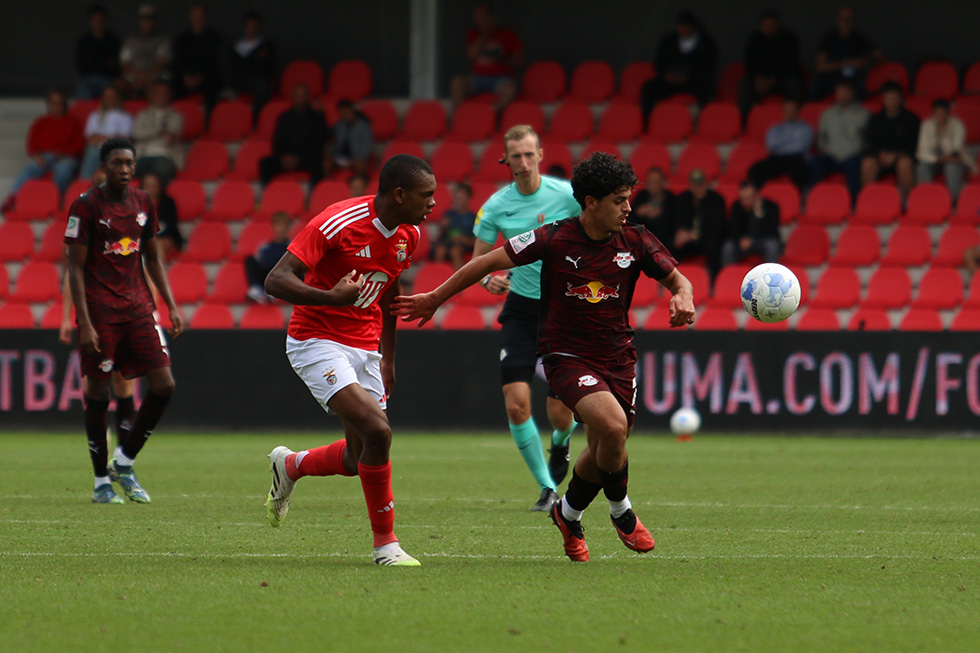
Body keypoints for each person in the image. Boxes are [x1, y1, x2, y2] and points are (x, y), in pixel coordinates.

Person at [392, 152, 697, 562]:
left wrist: (683, 297)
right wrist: (435, 297)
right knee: (611, 425)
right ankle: (622, 511)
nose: (628, 208)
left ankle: (567, 514)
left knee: (612, 443)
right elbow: (487, 261)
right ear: (590, 202)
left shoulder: (636, 240)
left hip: (618, 357)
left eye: (628, 199)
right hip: (566, 355)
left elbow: (679, 279)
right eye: (619, 200)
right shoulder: (553, 238)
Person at [262, 154, 435, 567]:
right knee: (379, 432)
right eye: (425, 196)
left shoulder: (408, 234)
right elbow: (275, 279)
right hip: (316, 340)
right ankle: (386, 546)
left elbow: (389, 291)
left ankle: (290, 465)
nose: (432, 204)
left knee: (359, 459)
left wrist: (387, 358)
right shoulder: (338, 221)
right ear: (399, 194)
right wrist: (329, 297)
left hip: (366, 346)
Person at [64, 137, 184, 504]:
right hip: (101, 313)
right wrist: (84, 322)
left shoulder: (144, 202)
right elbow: (75, 268)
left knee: (164, 384)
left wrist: (171, 304)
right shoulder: (85, 206)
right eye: (118, 163)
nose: (125, 169)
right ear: (104, 167)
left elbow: (154, 258)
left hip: (138, 308)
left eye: (130, 164)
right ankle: (101, 480)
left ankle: (124, 460)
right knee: (99, 394)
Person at [471, 125, 582, 512]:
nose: (522, 162)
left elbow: (594, 232)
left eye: (528, 155)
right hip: (520, 310)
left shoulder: (567, 195)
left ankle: (563, 442)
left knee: (560, 413)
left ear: (539, 154)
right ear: (506, 160)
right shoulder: (497, 207)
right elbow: (478, 259)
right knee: (517, 404)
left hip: (562, 310)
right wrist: (488, 278)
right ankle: (548, 487)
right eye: (515, 156)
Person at [2, 89, 83, 215]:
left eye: (59, 103)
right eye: (53, 103)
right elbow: (31, 144)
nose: (56, 106)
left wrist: (65, 153)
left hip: (65, 156)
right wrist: (37, 155)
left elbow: (78, 145)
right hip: (44, 155)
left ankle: (56, 200)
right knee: (32, 165)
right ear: (48, 104)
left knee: (64, 168)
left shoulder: (72, 122)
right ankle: (14, 198)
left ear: (64, 104)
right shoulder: (41, 122)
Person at [640, 11, 718, 122]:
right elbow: (659, 62)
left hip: (693, 81)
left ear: (692, 26)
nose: (682, 29)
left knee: (707, 89)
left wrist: (690, 77)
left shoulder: (706, 43)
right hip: (670, 80)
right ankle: (647, 123)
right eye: (680, 26)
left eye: (685, 26)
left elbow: (709, 66)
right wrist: (666, 75)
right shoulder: (669, 41)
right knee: (649, 88)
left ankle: (704, 124)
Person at [451, 3, 523, 110]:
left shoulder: (508, 34)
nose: (478, 20)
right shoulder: (473, 33)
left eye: (482, 17)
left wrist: (503, 59)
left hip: (501, 79)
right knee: (457, 83)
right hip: (478, 78)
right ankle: (460, 116)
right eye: (477, 18)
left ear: (492, 17)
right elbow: (471, 55)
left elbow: (520, 61)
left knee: (510, 90)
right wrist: (485, 34)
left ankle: (493, 114)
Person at [808, 77, 868, 201]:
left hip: (853, 155)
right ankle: (815, 200)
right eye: (839, 93)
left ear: (852, 93)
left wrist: (861, 151)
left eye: (845, 92)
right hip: (831, 156)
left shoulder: (863, 114)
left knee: (854, 165)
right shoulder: (827, 114)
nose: (842, 96)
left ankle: (853, 204)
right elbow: (821, 137)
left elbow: (868, 139)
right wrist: (823, 147)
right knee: (815, 163)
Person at [259, 84, 328, 186]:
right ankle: (268, 194)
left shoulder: (316, 118)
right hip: (285, 158)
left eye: (303, 96)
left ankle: (314, 196)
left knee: (319, 165)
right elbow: (277, 141)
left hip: (306, 158)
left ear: (308, 97)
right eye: (297, 96)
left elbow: (317, 143)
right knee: (265, 163)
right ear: (293, 97)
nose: (300, 99)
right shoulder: (284, 117)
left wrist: (299, 158)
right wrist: (283, 157)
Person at [739, 9, 803, 118]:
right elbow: (750, 64)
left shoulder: (788, 39)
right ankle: (746, 120)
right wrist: (757, 79)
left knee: (793, 82)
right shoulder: (754, 39)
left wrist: (771, 81)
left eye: (771, 25)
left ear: (778, 25)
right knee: (744, 83)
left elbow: (790, 65)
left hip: (780, 79)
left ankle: (794, 117)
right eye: (765, 26)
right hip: (760, 81)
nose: (768, 29)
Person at [861, 81, 919, 197]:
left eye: (894, 98)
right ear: (883, 99)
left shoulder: (911, 119)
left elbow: (914, 145)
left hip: (902, 156)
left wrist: (898, 155)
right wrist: (879, 154)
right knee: (867, 164)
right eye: (888, 98)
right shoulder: (875, 119)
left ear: (901, 99)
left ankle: (909, 202)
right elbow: (870, 143)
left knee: (904, 164)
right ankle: (868, 200)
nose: (891, 102)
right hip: (880, 157)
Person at [810, 5, 880, 100]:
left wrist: (862, 62)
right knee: (815, 87)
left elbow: (877, 56)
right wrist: (844, 63)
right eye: (842, 19)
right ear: (837, 20)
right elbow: (820, 66)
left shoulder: (859, 38)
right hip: (833, 75)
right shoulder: (828, 39)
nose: (845, 22)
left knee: (861, 88)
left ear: (853, 21)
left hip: (852, 76)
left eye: (849, 19)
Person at [747, 97, 813, 191]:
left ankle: (798, 200)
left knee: (801, 171)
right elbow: (771, 145)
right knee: (755, 169)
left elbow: (801, 146)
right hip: (777, 158)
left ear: (798, 111)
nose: (789, 113)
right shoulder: (774, 128)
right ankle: (759, 198)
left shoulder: (805, 128)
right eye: (786, 110)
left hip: (796, 158)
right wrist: (792, 140)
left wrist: (781, 144)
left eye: (792, 110)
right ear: (783, 111)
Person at [916, 99, 977, 200]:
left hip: (955, 160)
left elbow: (955, 150)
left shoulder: (957, 125)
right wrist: (937, 159)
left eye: (943, 114)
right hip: (934, 160)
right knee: (922, 167)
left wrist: (943, 132)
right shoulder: (926, 125)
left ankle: (953, 201)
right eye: (937, 114)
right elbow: (922, 152)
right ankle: (925, 199)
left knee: (952, 167)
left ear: (948, 113)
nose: (940, 117)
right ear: (933, 113)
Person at [673, 168, 726, 280]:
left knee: (715, 247)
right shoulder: (683, 199)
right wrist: (680, 233)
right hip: (687, 241)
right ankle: (672, 280)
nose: (698, 188)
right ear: (690, 185)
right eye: (695, 185)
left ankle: (714, 281)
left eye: (701, 184)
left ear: (706, 184)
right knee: (671, 244)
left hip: (708, 239)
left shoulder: (716, 200)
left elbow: (717, 228)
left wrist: (693, 235)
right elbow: (678, 222)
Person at [170, 2, 223, 109]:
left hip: (206, 79)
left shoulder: (215, 39)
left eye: (201, 16)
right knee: (171, 87)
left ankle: (209, 120)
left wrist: (200, 77)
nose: (198, 19)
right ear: (190, 17)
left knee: (213, 88)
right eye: (195, 16)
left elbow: (215, 65)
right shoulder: (182, 40)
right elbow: (178, 63)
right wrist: (185, 77)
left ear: (205, 17)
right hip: (185, 80)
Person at [132, 79, 184, 185]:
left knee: (160, 172)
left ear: (170, 95)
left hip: (165, 155)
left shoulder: (176, 116)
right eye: (158, 93)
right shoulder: (142, 114)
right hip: (143, 154)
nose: (161, 96)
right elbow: (137, 135)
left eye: (164, 93)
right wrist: (158, 132)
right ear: (152, 95)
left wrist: (148, 134)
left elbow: (170, 138)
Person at [721, 182, 782, 266]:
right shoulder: (737, 206)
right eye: (742, 199)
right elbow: (732, 229)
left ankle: (772, 274)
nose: (745, 202)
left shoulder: (771, 207)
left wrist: (758, 215)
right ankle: (729, 275)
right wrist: (741, 239)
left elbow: (771, 231)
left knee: (771, 245)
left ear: (757, 195)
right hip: (742, 242)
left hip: (761, 240)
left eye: (748, 198)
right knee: (728, 247)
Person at [80, 85, 133, 180]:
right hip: (96, 148)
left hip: (116, 150)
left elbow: (123, 140)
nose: (109, 99)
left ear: (118, 98)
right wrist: (110, 138)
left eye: (112, 96)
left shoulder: (125, 117)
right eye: (106, 96)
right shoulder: (95, 115)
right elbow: (89, 139)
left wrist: (101, 138)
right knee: (92, 150)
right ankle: (84, 183)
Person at [229, 12, 277, 116]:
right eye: (248, 27)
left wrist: (249, 63)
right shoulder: (236, 47)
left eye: (254, 27)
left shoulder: (266, 46)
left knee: (263, 88)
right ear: (243, 27)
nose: (250, 30)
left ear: (259, 28)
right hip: (239, 82)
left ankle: (255, 119)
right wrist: (255, 60)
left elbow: (266, 67)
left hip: (258, 82)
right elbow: (235, 68)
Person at [119, 4, 171, 98]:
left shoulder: (162, 40)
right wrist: (137, 76)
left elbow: (161, 64)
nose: (146, 22)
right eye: (143, 19)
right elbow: (124, 63)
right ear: (139, 21)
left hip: (154, 77)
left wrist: (145, 77)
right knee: (119, 84)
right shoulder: (130, 41)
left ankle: (151, 112)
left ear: (154, 22)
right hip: (134, 76)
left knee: (153, 86)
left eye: (149, 19)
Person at [75, 5, 121, 101]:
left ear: (105, 21)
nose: (98, 23)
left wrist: (94, 62)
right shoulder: (84, 41)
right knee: (83, 90)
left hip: (108, 79)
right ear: (90, 21)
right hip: (89, 79)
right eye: (95, 20)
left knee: (113, 91)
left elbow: (115, 65)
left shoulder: (112, 40)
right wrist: (104, 62)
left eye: (101, 19)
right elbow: (81, 66)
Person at [245, 211, 291, 303]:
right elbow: (259, 265)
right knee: (249, 260)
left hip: (283, 279)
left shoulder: (293, 246)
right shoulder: (265, 247)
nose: (281, 229)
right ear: (273, 226)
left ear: (288, 227)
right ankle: (257, 290)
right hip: (268, 277)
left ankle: (274, 292)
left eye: (284, 225)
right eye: (278, 225)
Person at [433, 183, 477, 269]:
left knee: (455, 251)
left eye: (461, 198)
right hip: (448, 242)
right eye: (456, 198)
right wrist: (442, 226)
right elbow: (439, 237)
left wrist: (463, 239)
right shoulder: (448, 214)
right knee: (440, 250)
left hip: (464, 245)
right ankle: (438, 277)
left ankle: (460, 279)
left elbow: (475, 241)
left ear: (468, 199)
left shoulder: (473, 217)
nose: (458, 201)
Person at [628, 167, 676, 248]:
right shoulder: (641, 196)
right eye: (650, 182)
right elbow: (629, 220)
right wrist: (638, 213)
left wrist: (660, 215)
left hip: (665, 245)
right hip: (641, 243)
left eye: (656, 182)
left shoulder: (672, 199)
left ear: (663, 183)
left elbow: (674, 226)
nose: (653, 186)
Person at [326, 100, 374, 177]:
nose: (344, 115)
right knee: (326, 164)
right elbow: (328, 134)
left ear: (352, 110)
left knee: (360, 166)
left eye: (346, 112)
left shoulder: (364, 126)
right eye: (341, 113)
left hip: (356, 158)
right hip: (340, 158)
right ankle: (328, 186)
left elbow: (367, 147)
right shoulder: (339, 125)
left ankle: (359, 185)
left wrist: (356, 159)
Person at [141, 172, 182, 259]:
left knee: (156, 244)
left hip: (165, 238)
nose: (150, 189)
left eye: (153, 185)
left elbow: (171, 226)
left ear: (159, 187)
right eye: (147, 186)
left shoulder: (168, 203)